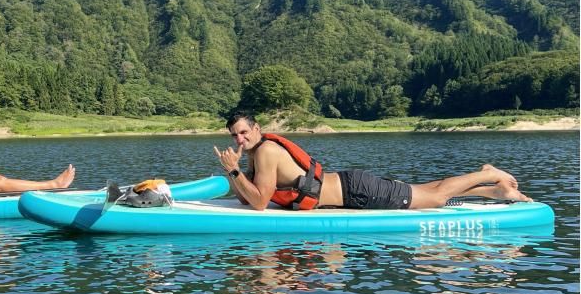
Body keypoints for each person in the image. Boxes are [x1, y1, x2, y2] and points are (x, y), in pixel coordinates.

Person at [213, 112, 531, 211]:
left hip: (357, 191)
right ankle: (494, 192)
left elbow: (258, 204)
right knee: (427, 190)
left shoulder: (266, 151)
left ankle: (486, 173)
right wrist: (233, 173)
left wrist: (233, 169)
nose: (239, 139)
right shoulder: (256, 154)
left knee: (435, 196)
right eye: (234, 136)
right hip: (352, 188)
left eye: (243, 132)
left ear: (256, 129)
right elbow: (246, 196)